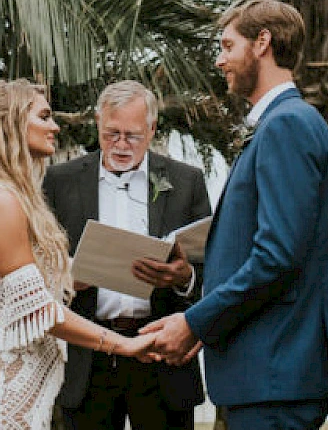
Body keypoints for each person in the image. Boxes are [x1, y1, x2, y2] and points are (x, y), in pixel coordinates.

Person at [141, 0, 328, 430]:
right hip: (268, 376)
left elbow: (276, 257)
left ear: (262, 43)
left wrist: (194, 322)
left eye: (227, 45)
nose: (220, 60)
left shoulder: (287, 126)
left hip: (275, 374)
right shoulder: (285, 124)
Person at [0, 79, 156, 430]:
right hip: (7, 380)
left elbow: (48, 284)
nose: (55, 126)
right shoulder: (0, 200)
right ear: (13, 123)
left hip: (31, 378)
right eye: (44, 116)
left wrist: (126, 260)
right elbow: (38, 309)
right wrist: (122, 345)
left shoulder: (19, 196)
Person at [43, 81, 211, 430]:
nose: (120, 145)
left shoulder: (186, 181)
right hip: (89, 360)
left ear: (152, 128)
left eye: (132, 135)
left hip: (161, 356)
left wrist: (184, 278)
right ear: (97, 123)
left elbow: (211, 270)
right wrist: (67, 280)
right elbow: (39, 267)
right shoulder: (60, 181)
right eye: (111, 134)